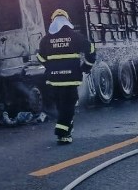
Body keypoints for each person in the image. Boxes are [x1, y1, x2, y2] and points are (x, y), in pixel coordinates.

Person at [37, 9, 96, 145]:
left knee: (61, 105)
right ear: (67, 20)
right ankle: (62, 132)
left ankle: (66, 129)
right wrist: (86, 66)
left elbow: (40, 57)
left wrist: (50, 66)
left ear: (53, 22)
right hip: (71, 78)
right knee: (69, 104)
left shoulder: (46, 39)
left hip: (54, 79)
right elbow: (91, 49)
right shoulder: (76, 37)